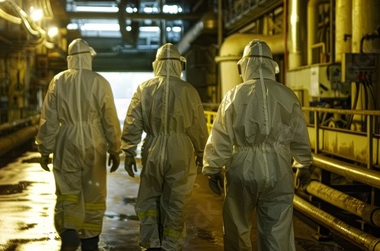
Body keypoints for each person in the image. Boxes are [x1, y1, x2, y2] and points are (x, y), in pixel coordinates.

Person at [202, 39, 313, 251]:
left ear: (244, 65)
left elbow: (221, 136)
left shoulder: (233, 96)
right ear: (272, 65)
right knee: (277, 230)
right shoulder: (287, 95)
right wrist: (303, 164)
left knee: (237, 228)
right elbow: (299, 134)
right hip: (279, 169)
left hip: (242, 168)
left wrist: (212, 167)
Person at [35, 38, 122, 251]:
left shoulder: (58, 80)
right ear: (88, 57)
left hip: (67, 140)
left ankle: (70, 231)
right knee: (93, 193)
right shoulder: (100, 82)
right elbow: (110, 119)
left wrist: (45, 149)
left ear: (70, 58)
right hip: (95, 141)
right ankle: (90, 240)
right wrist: (115, 149)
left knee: (68, 190)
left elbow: (49, 118)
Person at [121, 43, 208, 251]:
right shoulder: (188, 90)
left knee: (149, 198)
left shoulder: (144, 88)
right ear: (179, 64)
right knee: (176, 201)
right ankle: (170, 245)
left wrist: (129, 151)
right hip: (181, 150)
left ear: (156, 64)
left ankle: (151, 243)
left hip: (152, 147)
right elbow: (198, 126)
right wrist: (201, 152)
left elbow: (133, 121)